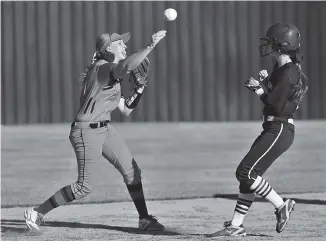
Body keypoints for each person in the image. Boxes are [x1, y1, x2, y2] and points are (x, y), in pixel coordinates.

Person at [24, 30, 167, 232]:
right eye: (120, 44)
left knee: (132, 171)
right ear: (108, 48)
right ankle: (37, 212)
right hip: (86, 132)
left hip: (104, 128)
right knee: (84, 187)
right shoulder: (103, 69)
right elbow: (126, 66)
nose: (124, 46)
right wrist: (150, 46)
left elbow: (126, 109)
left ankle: (144, 219)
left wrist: (140, 88)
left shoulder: (110, 74)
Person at [209, 23, 308, 237]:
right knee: (248, 177)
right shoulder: (282, 69)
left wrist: (259, 90)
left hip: (280, 128)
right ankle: (236, 225)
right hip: (274, 127)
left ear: (282, 44)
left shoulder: (289, 72)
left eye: (271, 42)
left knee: (245, 172)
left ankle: (282, 205)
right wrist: (265, 82)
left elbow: (275, 104)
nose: (267, 45)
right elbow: (277, 93)